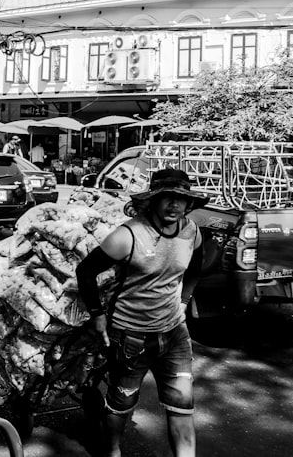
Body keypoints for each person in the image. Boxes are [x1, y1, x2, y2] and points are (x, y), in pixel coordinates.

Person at [76, 168, 206, 457]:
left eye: (181, 199)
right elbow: (85, 271)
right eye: (167, 198)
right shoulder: (130, 235)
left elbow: (196, 266)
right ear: (153, 201)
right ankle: (111, 451)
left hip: (175, 334)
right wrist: (97, 314)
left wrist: (185, 300)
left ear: (189, 203)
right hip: (131, 335)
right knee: (122, 403)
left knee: (182, 405)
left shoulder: (191, 231)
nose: (174, 205)